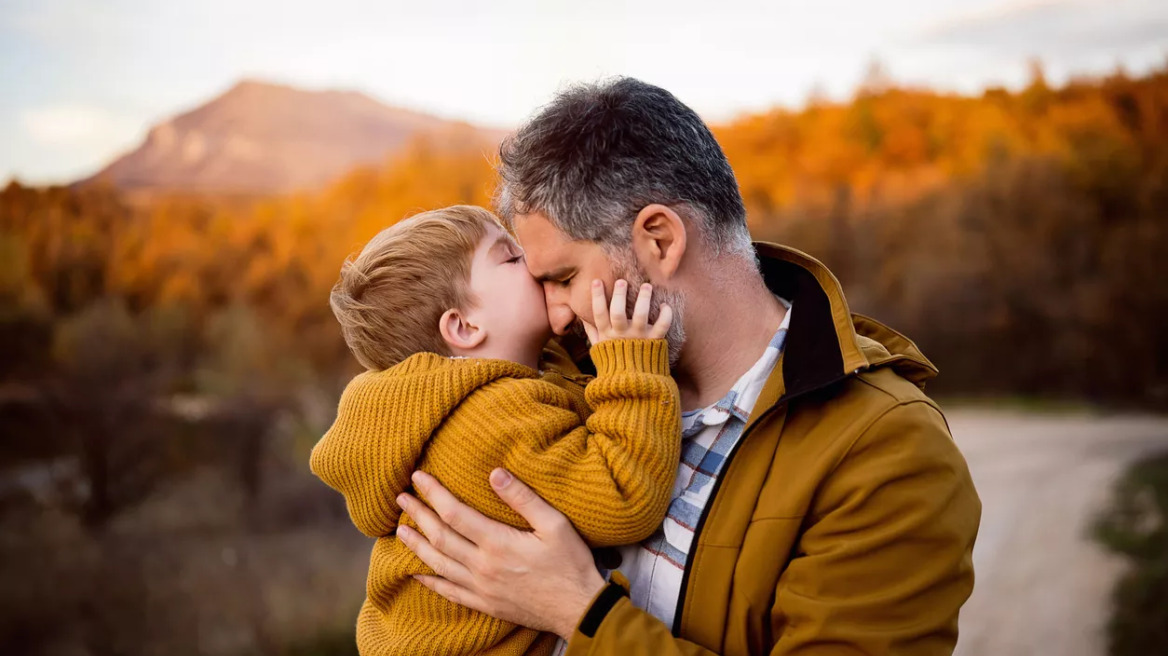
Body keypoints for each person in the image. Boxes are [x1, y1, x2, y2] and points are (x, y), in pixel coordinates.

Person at [394, 78, 983, 655]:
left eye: (564, 279)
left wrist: (578, 611)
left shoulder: (889, 453)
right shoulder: (566, 388)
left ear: (659, 240)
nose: (553, 317)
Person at [310, 205, 684, 655]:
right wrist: (631, 365)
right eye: (509, 257)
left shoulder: (504, 380)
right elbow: (624, 498)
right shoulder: (489, 419)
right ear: (464, 326)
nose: (531, 260)